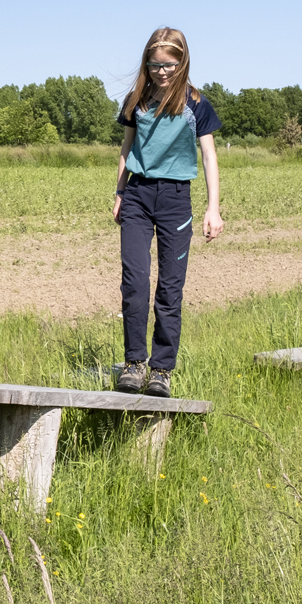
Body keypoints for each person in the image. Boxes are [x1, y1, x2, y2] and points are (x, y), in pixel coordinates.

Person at [112, 27, 224, 397]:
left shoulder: (196, 104)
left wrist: (213, 208)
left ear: (182, 62)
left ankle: (161, 370)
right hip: (138, 197)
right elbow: (127, 150)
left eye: (170, 65)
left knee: (170, 289)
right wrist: (119, 192)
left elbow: (208, 155)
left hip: (176, 199)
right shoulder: (136, 101)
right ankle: (133, 363)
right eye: (155, 64)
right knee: (135, 282)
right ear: (147, 63)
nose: (162, 72)